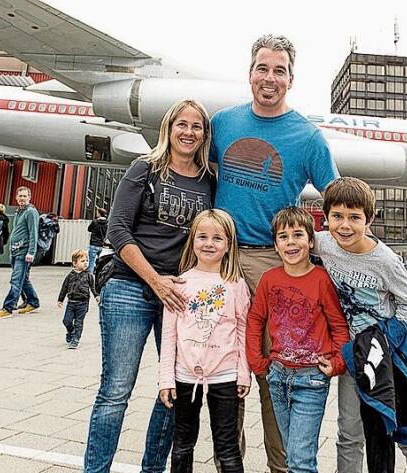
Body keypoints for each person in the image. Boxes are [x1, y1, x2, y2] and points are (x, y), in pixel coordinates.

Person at [210, 34, 339, 473]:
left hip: (271, 261)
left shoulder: (307, 136)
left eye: (279, 70)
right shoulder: (223, 123)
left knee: (272, 370)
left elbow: (336, 198)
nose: (270, 78)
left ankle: (280, 466)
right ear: (250, 73)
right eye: (262, 68)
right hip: (221, 260)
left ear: (291, 78)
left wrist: (364, 253)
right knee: (225, 364)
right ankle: (231, 461)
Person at [84, 99, 215, 473]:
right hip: (130, 287)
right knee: (115, 391)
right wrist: (155, 281)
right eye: (182, 124)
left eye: (197, 126)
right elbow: (117, 230)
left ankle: (152, 468)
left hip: (178, 295)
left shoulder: (208, 180)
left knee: (175, 389)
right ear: (169, 129)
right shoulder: (145, 168)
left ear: (204, 135)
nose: (189, 132)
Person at [313, 177, 407, 473]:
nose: (345, 225)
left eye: (354, 218)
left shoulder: (385, 260)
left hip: (388, 356)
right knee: (349, 432)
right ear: (326, 217)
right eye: (337, 216)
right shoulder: (323, 243)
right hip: (352, 353)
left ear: (369, 219)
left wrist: (384, 340)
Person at [246, 207, 349, 473]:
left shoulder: (322, 280)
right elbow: (255, 320)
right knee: (291, 457)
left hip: (311, 380)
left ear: (311, 241)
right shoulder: (270, 280)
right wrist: (257, 361)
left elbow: (338, 325)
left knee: (301, 461)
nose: (291, 242)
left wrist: (338, 362)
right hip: (278, 377)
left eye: (298, 235)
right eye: (283, 236)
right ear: (276, 245)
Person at [159, 209, 250, 473]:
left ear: (228, 244)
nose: (209, 243)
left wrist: (244, 373)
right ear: (192, 240)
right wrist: (166, 378)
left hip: (225, 376)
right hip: (184, 377)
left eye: (217, 238)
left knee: (228, 448)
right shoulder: (179, 283)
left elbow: (243, 329)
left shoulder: (236, 284)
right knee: (182, 444)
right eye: (202, 237)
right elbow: (169, 335)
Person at [0, 187, 40, 319]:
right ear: (16, 198)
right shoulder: (19, 212)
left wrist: (31, 252)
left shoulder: (30, 212)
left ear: (29, 197)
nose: (22, 198)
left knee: (16, 280)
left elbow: (33, 233)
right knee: (24, 279)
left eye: (25, 196)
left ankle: (8, 308)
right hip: (15, 251)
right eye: (20, 196)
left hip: (24, 253)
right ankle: (33, 302)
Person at [58, 249, 99, 349]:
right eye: (82, 261)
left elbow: (93, 287)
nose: (85, 263)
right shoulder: (70, 276)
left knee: (78, 323)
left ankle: (75, 339)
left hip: (83, 303)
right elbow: (64, 288)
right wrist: (60, 299)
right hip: (71, 303)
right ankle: (70, 331)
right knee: (66, 321)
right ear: (74, 263)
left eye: (87, 261)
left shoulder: (89, 275)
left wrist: (97, 296)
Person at [87, 208, 109, 273]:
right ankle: (98, 276)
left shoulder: (95, 221)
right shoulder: (107, 223)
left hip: (93, 244)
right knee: (100, 263)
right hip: (101, 245)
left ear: (99, 213)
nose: (96, 213)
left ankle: (90, 277)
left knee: (91, 262)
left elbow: (89, 229)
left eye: (97, 212)